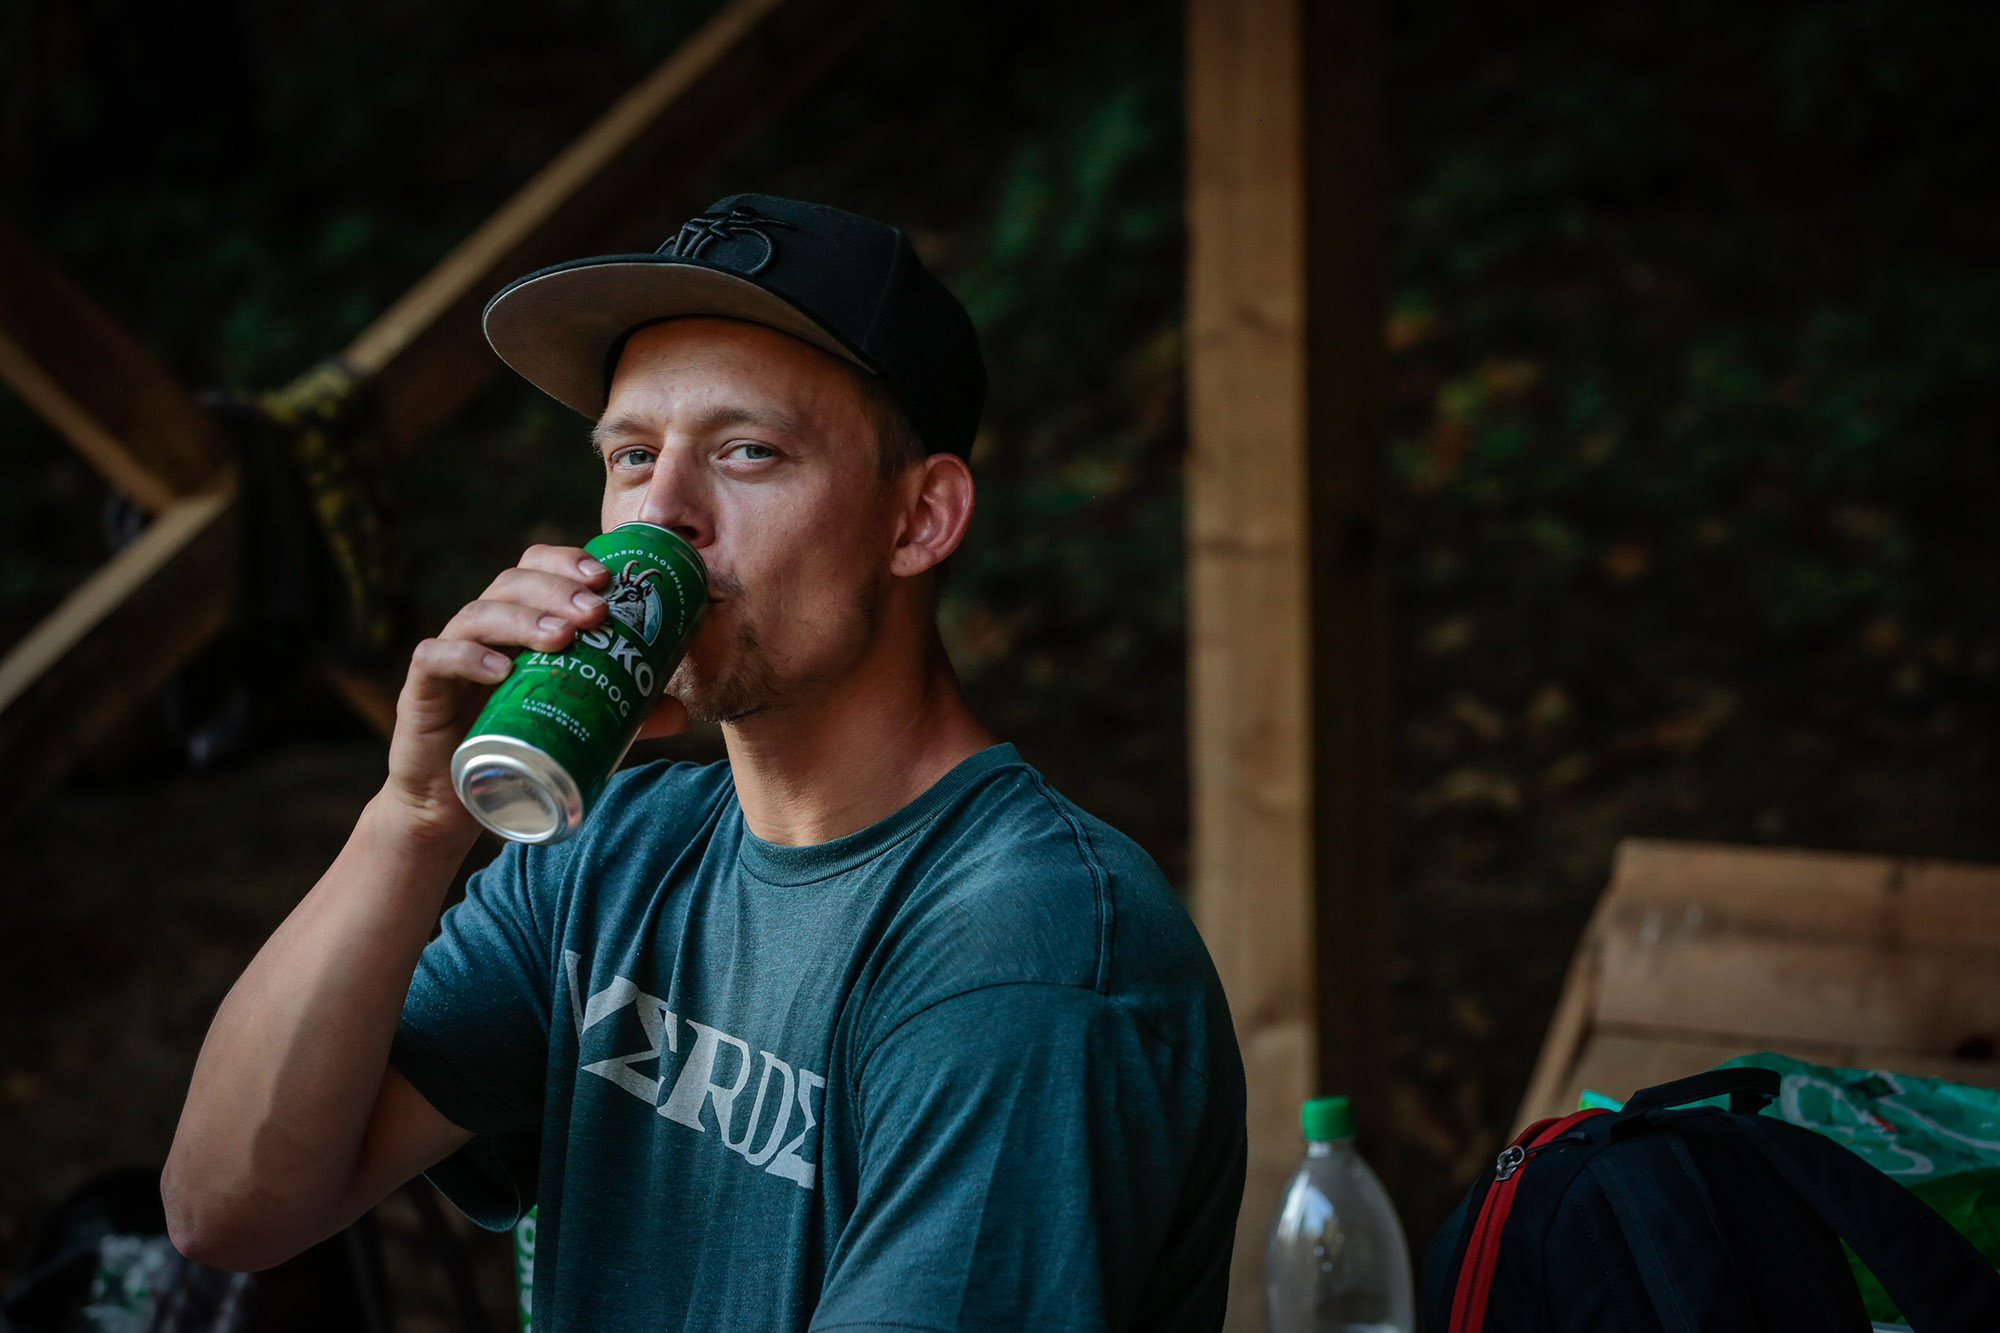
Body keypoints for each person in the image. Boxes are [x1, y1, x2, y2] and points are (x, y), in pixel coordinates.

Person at [163, 194, 1247, 1331]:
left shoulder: (1024, 950)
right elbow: (227, 1207)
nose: (661, 510)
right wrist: (417, 813)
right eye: (631, 454)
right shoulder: (610, 850)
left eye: (746, 452)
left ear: (918, 518)